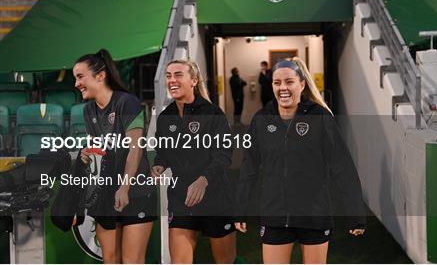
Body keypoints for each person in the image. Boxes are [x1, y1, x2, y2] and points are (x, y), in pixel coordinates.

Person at [235, 57, 366, 264]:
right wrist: (239, 209)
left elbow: (343, 167)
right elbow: (249, 168)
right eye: (277, 83)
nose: (283, 88)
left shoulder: (320, 117)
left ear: (302, 84)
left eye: (289, 82)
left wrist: (355, 213)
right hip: (275, 214)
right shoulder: (261, 119)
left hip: (314, 214)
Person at [73, 49, 156, 263]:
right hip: (106, 194)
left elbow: (135, 149)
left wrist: (125, 187)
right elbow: (99, 150)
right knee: (110, 259)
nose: (76, 84)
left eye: (80, 76)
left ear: (100, 75)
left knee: (132, 261)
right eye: (75, 78)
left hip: (135, 192)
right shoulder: (88, 110)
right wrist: (87, 154)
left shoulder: (127, 102)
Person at [151, 60, 237, 264]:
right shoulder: (165, 117)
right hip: (182, 200)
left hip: (216, 199)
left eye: (178, 74)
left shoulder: (213, 114)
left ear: (194, 80)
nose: (172, 80)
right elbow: (163, 152)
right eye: (169, 75)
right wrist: (159, 165)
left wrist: (203, 180)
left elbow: (223, 156)